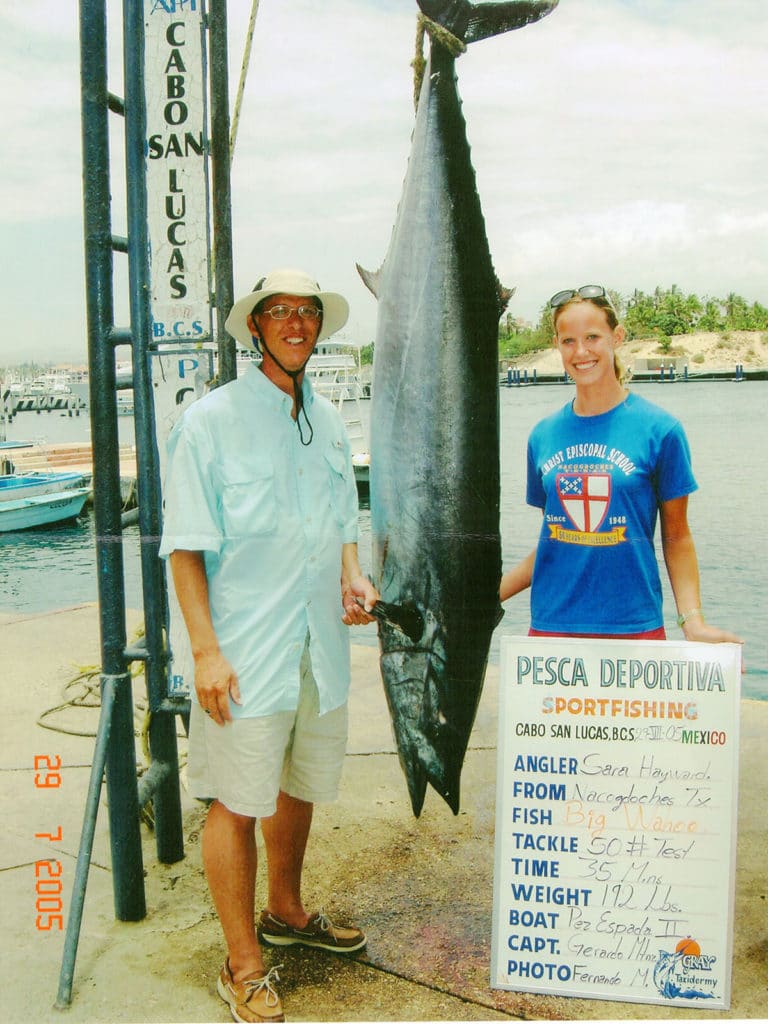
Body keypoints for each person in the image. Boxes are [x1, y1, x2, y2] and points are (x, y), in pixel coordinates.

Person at [159, 268, 379, 1023]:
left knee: (298, 782)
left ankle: (285, 912)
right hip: (244, 653)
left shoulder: (329, 418)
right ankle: (242, 963)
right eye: (278, 312)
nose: (295, 323)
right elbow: (185, 549)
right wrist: (205, 653)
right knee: (236, 801)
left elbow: (341, 519)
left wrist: (353, 577)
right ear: (255, 326)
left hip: (318, 645)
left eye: (307, 313)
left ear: (319, 327)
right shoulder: (209, 421)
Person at [500, 284, 742, 647]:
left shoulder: (660, 430)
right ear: (557, 346)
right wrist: (488, 596)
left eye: (593, 337)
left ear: (617, 337)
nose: (581, 351)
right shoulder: (542, 436)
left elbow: (676, 536)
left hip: (634, 630)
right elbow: (559, 540)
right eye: (568, 341)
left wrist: (693, 622)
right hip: (552, 631)